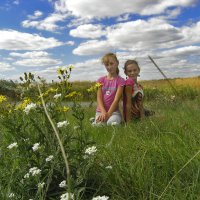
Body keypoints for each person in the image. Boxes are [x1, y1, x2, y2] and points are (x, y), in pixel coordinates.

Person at [94, 53, 125, 125]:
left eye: (111, 63)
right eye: (107, 65)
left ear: (117, 63)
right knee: (99, 126)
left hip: (114, 112)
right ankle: (94, 121)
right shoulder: (100, 80)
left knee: (111, 123)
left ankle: (118, 121)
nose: (109, 67)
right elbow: (99, 98)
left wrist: (108, 114)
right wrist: (103, 112)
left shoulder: (120, 81)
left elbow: (116, 100)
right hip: (100, 112)